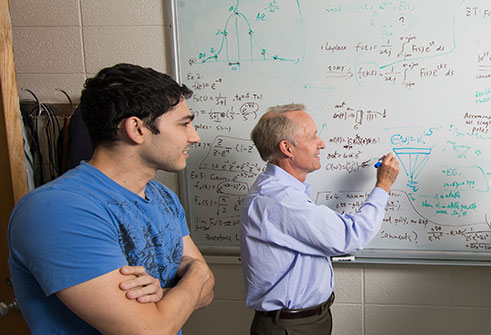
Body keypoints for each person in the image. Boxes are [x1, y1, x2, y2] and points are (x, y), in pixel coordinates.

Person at [8, 63, 215, 333]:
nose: (194, 136)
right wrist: (196, 272)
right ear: (136, 129)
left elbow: (208, 292)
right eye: (184, 124)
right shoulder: (59, 209)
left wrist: (164, 293)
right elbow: (149, 330)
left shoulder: (161, 196)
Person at [240, 104, 399, 335]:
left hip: (304, 321)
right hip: (291, 327)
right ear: (287, 148)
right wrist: (383, 186)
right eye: (313, 136)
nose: (321, 143)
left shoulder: (285, 193)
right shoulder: (279, 200)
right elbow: (351, 236)